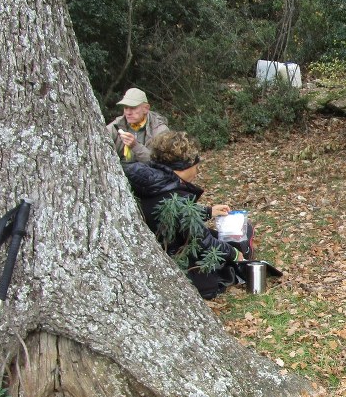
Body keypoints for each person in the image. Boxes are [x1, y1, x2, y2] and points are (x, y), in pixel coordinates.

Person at [123, 130, 252, 299]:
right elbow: (202, 240)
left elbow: (167, 213)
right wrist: (235, 255)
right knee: (234, 240)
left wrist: (208, 211)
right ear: (186, 165)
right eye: (196, 166)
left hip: (161, 246)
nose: (197, 171)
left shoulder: (151, 181)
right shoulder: (175, 196)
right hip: (175, 255)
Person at [106, 87, 169, 162]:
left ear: (146, 108)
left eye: (133, 108)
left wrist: (135, 146)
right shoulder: (117, 125)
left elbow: (161, 163)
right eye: (126, 108)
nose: (128, 113)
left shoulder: (160, 130)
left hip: (150, 172)